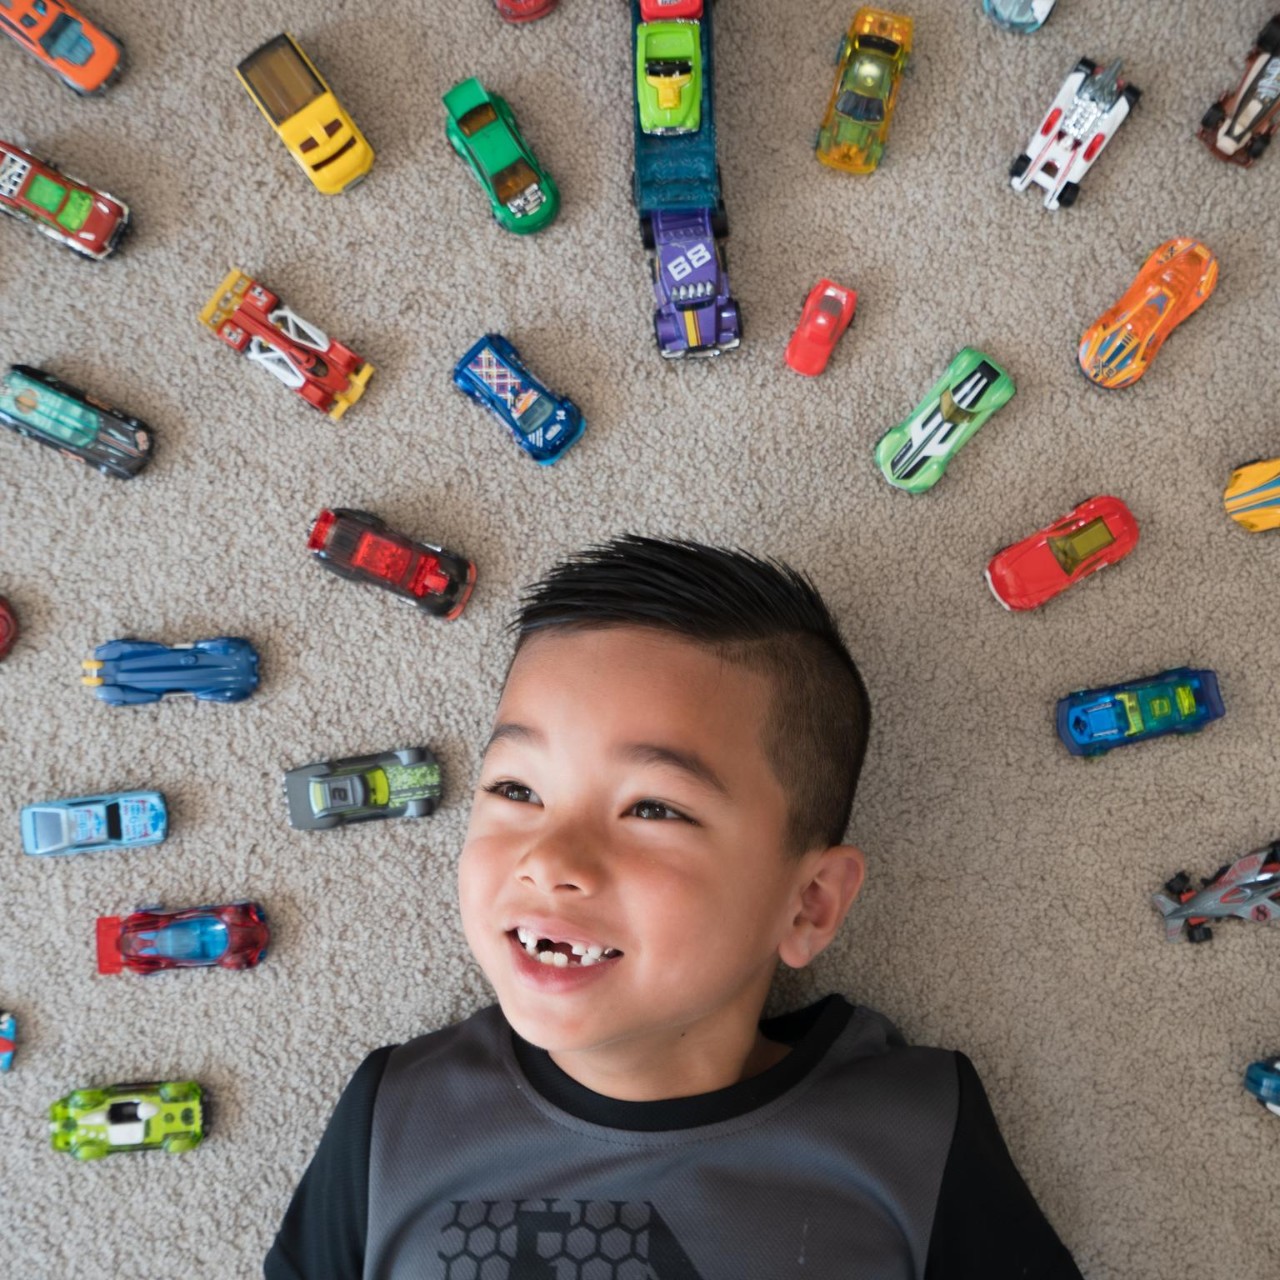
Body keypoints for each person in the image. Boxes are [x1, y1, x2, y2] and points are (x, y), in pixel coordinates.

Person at [265, 534, 1082, 1279]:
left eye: (653, 809)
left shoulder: (915, 1134)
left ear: (809, 906)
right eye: (517, 789)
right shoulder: (395, 1114)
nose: (551, 860)